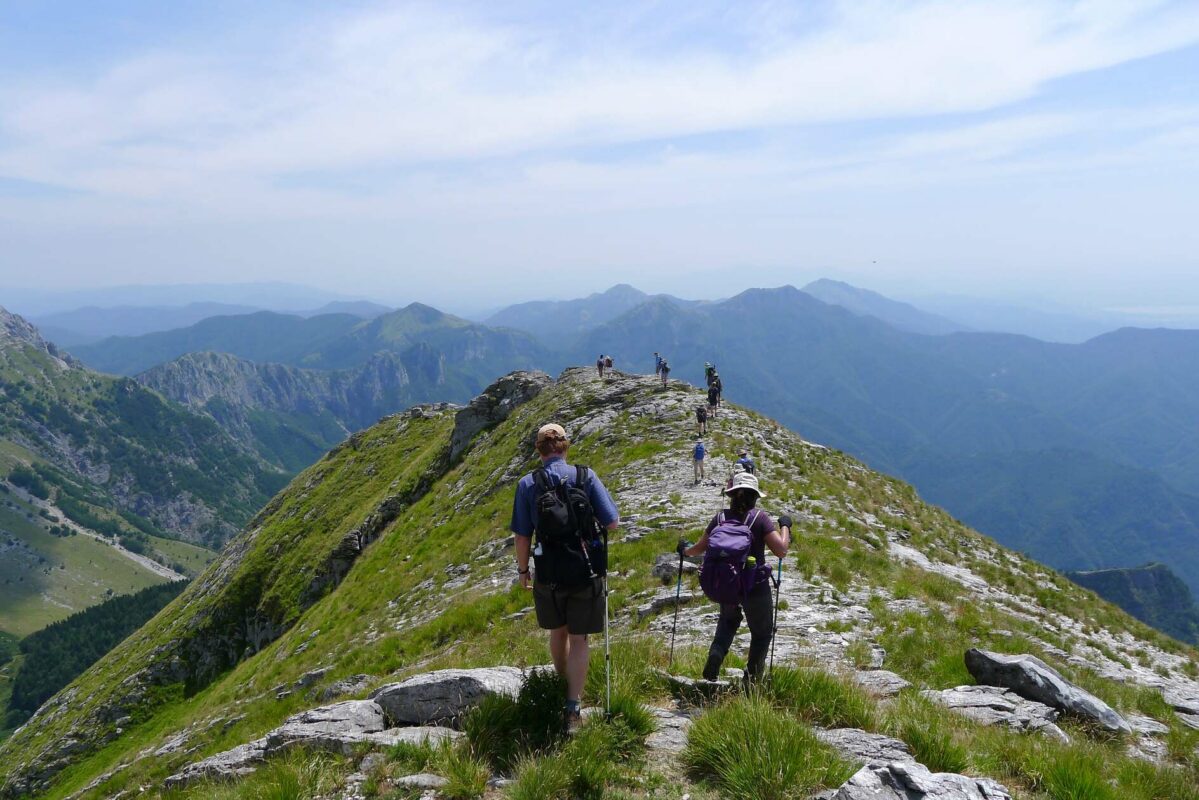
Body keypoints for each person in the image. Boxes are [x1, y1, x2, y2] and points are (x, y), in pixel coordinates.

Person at [511, 423, 620, 731]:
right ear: (565, 446)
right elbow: (612, 523)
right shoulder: (585, 477)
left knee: (557, 632)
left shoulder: (527, 484)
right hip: (585, 570)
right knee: (580, 639)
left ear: (539, 450)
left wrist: (523, 572)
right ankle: (573, 708)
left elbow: (522, 536)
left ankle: (562, 681)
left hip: (549, 573)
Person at [678, 472, 792, 682]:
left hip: (728, 584)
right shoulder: (760, 519)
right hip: (755, 586)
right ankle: (752, 680)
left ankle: (717, 652)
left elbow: (698, 550)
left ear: (731, 495)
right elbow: (781, 551)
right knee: (762, 633)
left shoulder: (720, 518)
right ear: (755, 497)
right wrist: (785, 526)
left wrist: (684, 550)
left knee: (728, 621)